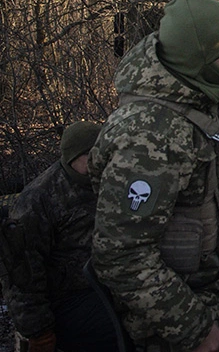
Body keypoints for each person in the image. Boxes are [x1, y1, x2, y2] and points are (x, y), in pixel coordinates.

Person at [90, 0, 219, 352]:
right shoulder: (150, 137)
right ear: (198, 58)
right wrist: (195, 331)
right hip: (166, 327)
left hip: (199, 293)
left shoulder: (193, 96)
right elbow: (121, 255)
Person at [1, 122, 121, 352]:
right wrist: (39, 333)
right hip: (68, 300)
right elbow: (22, 277)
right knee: (115, 334)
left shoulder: (108, 180)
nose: (103, 161)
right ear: (73, 157)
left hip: (112, 284)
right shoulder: (38, 201)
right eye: (92, 155)